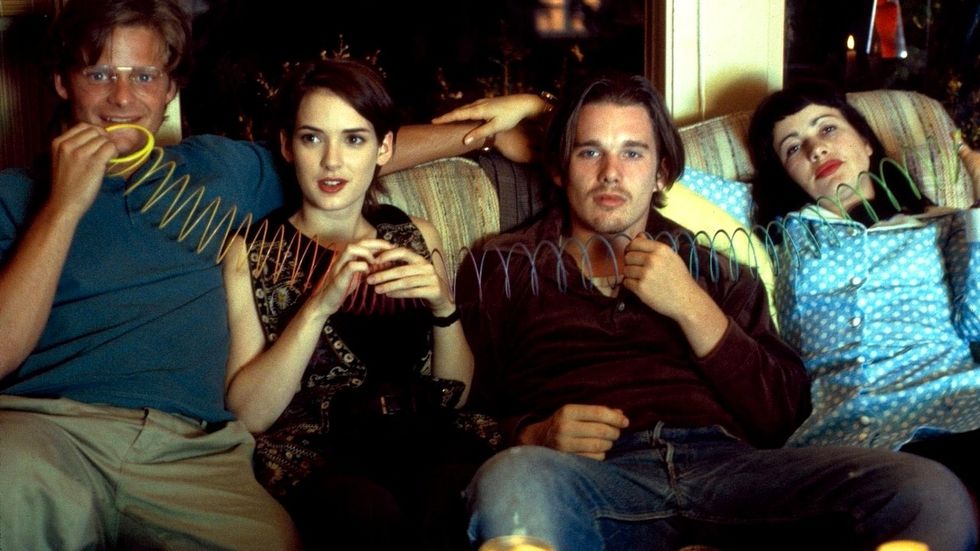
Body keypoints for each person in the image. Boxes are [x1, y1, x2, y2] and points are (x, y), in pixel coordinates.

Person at [0, 0, 543, 548]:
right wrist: (62, 206)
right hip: (49, 431)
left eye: (144, 76)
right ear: (62, 82)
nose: (122, 98)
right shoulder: (14, 196)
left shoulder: (221, 171)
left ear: (169, 91)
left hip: (191, 448)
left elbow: (340, 147)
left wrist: (487, 134)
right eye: (99, 74)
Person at [455, 71, 978, 551]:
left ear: (662, 174)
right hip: (595, 482)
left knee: (927, 491)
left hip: (731, 475)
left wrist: (691, 306)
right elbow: (466, 406)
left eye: (633, 153)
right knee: (510, 480)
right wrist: (535, 433)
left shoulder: (719, 266)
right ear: (558, 168)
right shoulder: (503, 264)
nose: (611, 173)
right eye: (590, 152)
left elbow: (783, 415)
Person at [222, 58, 492, 551]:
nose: (332, 161)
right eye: (312, 138)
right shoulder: (254, 251)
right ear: (287, 146)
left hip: (423, 440)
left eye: (353, 139)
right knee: (367, 514)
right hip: (323, 461)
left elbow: (456, 396)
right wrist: (317, 306)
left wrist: (442, 307)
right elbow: (248, 414)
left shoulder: (414, 235)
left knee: (455, 497)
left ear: (383, 148)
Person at [747, 79, 980, 493]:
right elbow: (665, 184)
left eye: (827, 128)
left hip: (957, 415)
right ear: (786, 176)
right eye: (792, 148)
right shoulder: (780, 238)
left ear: (867, 142)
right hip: (842, 442)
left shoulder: (941, 224)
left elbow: (976, 323)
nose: (816, 149)